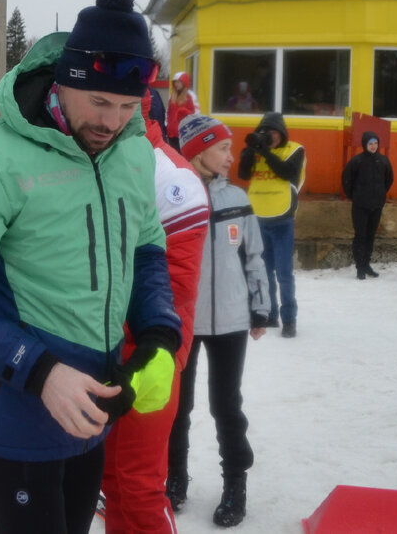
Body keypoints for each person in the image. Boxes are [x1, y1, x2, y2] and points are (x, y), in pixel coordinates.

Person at [0, 0, 180, 533]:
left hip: (93, 404)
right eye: (99, 102)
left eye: (128, 106)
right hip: (18, 408)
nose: (111, 121)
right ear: (64, 79)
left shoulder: (130, 149)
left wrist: (157, 334)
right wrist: (40, 372)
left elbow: (147, 247)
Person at [100, 91, 208, 533]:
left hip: (149, 354)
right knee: (112, 483)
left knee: (139, 485)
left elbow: (176, 288)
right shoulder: (108, 158)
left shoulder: (168, 175)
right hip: (107, 345)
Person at [167, 113, 269, 527]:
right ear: (198, 150)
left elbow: (254, 257)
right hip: (182, 320)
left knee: (226, 404)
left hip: (229, 320)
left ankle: (235, 483)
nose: (232, 157)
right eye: (224, 148)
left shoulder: (238, 200)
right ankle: (174, 478)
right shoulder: (174, 196)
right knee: (177, 406)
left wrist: (261, 307)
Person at [237, 112, 305, 338]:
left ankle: (289, 320)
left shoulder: (295, 149)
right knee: (263, 272)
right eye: (266, 132)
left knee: (284, 273)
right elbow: (243, 174)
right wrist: (250, 152)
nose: (270, 136)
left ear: (282, 133)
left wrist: (265, 152)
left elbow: (288, 173)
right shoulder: (256, 151)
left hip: (282, 218)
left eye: (274, 132)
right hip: (258, 219)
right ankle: (271, 315)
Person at [342, 131, 394, 279]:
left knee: (370, 235)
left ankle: (367, 264)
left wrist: (380, 194)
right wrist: (354, 196)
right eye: (370, 143)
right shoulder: (357, 161)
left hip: (376, 205)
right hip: (360, 205)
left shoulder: (383, 160)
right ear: (365, 144)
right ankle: (359, 267)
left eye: (375, 143)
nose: (373, 146)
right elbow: (347, 179)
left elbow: (389, 179)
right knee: (360, 235)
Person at [165, 71, 197, 152]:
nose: (176, 84)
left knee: (183, 157)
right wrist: (167, 126)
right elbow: (168, 113)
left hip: (183, 133)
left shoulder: (190, 97)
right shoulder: (172, 96)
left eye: (178, 82)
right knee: (173, 158)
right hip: (171, 134)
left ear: (184, 82)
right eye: (175, 82)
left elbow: (194, 115)